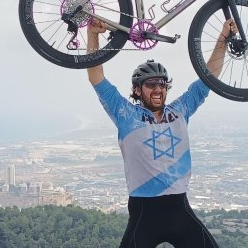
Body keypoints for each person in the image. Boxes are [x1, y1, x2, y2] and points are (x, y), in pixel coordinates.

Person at [87, 18, 236, 248]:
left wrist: (224, 37)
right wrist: (93, 35)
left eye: (162, 84)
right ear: (137, 90)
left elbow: (208, 78)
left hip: (180, 211)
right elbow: (96, 78)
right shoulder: (126, 114)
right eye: (151, 84)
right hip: (144, 213)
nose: (158, 88)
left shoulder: (180, 111)